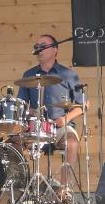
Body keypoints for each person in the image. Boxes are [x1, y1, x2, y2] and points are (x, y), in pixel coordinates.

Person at [17, 34, 83, 190]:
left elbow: (82, 106)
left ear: (55, 50)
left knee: (72, 143)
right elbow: (22, 105)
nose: (38, 49)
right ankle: (19, 190)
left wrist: (65, 119)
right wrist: (30, 113)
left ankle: (64, 190)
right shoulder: (29, 75)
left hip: (60, 127)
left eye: (43, 45)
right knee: (12, 145)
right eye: (36, 45)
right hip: (35, 127)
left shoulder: (68, 75)